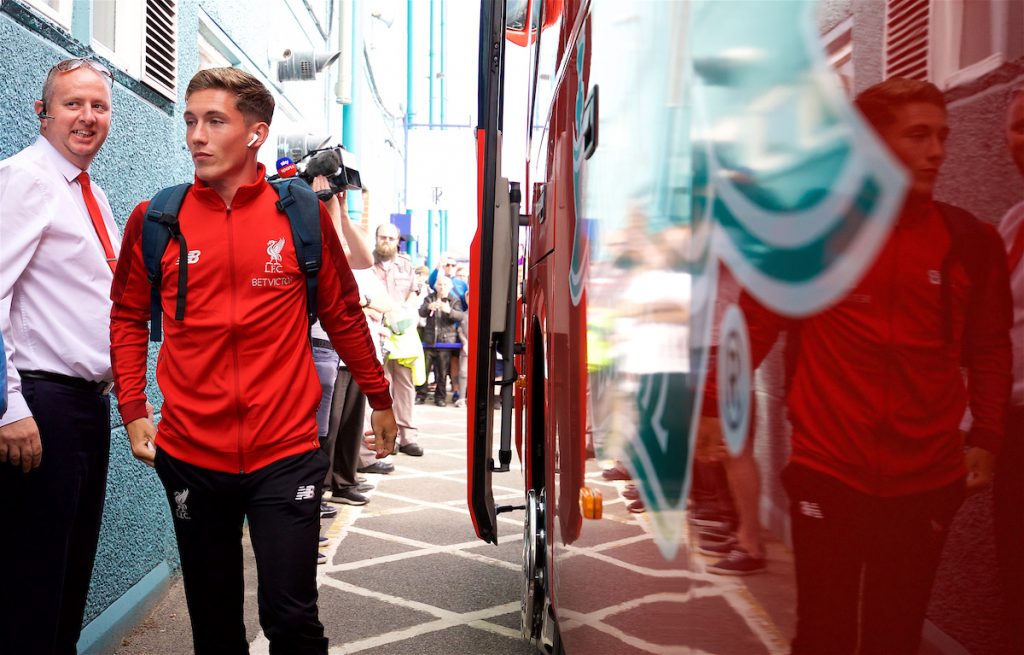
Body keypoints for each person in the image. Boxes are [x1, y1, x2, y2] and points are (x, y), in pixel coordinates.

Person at [701, 78, 1012, 655]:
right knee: (824, 632)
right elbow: (757, 324)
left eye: (943, 135)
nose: (938, 151)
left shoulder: (973, 242)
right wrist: (718, 404)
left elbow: (990, 347)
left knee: (896, 635)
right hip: (830, 472)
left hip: (927, 481)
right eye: (918, 135)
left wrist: (987, 436)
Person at [109, 67, 397, 655]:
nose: (197, 136)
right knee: (215, 628)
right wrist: (134, 407)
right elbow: (126, 316)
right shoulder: (157, 219)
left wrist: (381, 397)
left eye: (215, 121)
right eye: (191, 121)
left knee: (292, 620)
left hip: (285, 452)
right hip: (191, 455)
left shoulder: (299, 216)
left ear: (256, 134)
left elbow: (342, 312)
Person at [0, 57, 119, 654]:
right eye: (73, 103)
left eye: (98, 106)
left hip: (84, 409)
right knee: (32, 586)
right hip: (39, 406)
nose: (87, 117)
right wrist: (8, 407)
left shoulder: (88, 192)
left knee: (69, 579)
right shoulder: (26, 178)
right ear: (43, 112)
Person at [372, 223, 424, 456]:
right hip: (376, 330)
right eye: (383, 237)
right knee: (381, 385)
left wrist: (405, 312)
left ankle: (407, 437)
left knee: (405, 386)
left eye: (391, 238)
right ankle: (384, 439)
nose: (386, 241)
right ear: (376, 238)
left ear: (397, 241)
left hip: (402, 335)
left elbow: (414, 292)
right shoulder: (366, 263)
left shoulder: (406, 265)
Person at [416, 276, 465, 406]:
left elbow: (460, 316)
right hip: (429, 340)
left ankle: (440, 397)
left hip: (445, 342)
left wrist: (449, 311)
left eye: (444, 284)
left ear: (449, 287)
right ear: (436, 286)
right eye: (439, 284)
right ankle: (421, 395)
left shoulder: (454, 300)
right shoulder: (430, 298)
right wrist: (428, 307)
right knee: (424, 370)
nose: (442, 287)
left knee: (442, 372)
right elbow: (421, 312)